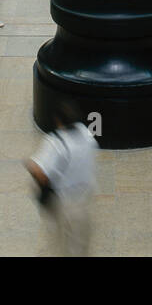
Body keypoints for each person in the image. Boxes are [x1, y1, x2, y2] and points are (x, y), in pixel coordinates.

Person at [26, 100, 98, 257]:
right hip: (83, 198)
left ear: (58, 121)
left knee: (61, 245)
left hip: (63, 202)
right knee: (80, 244)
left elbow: (41, 173)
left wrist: (30, 164)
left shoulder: (56, 143)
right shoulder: (86, 133)